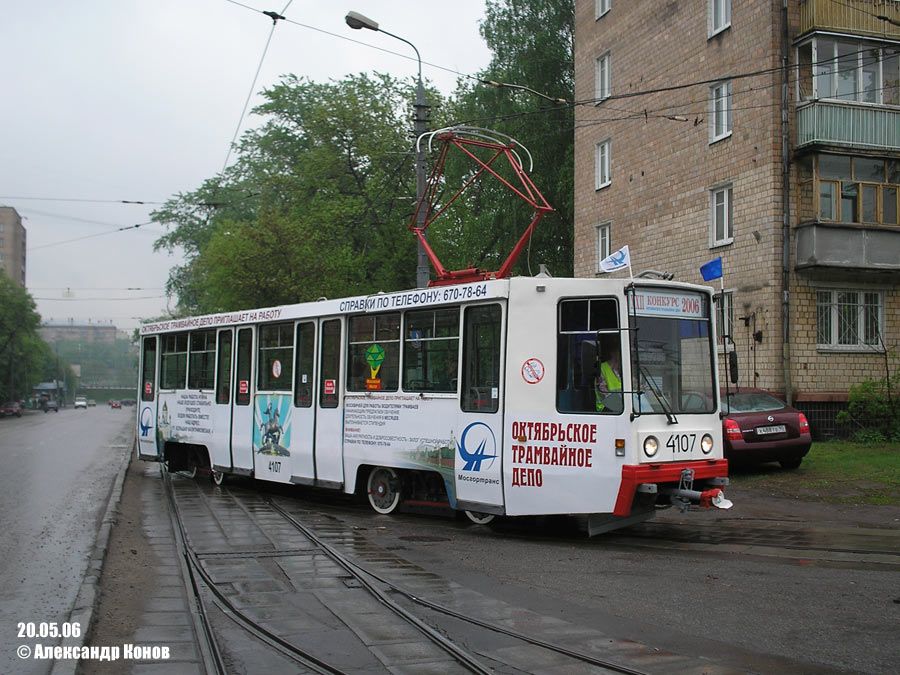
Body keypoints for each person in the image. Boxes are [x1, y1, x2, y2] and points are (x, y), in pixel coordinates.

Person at [595, 339, 623, 413]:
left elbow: (637, 386)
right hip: (607, 410)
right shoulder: (602, 368)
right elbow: (603, 393)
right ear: (612, 353)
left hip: (621, 409)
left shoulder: (624, 370)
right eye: (620, 351)